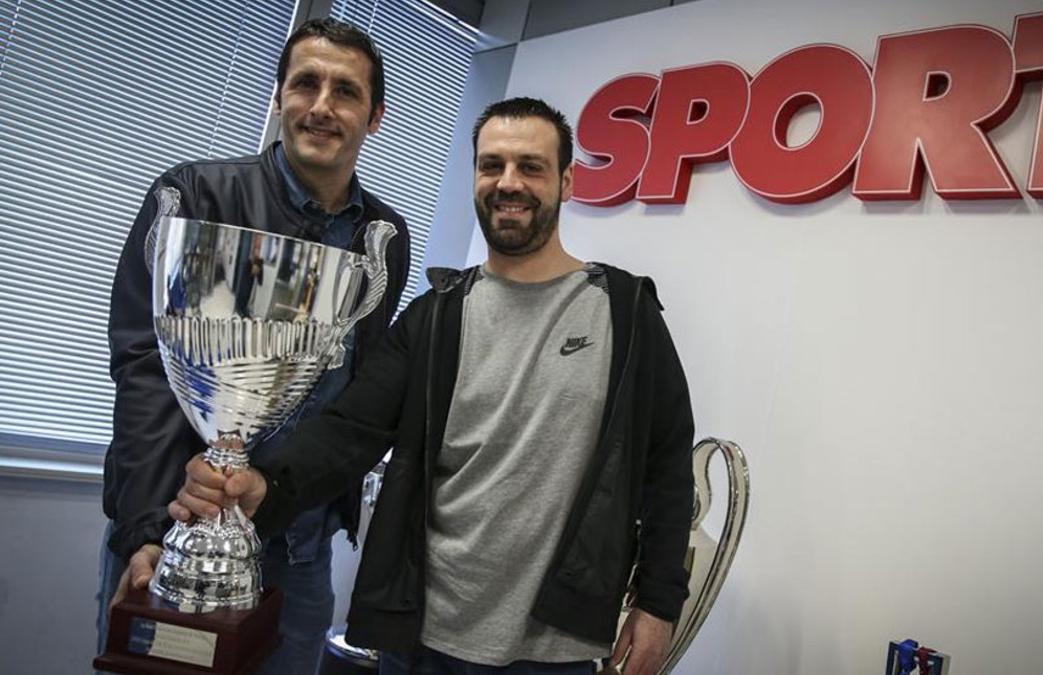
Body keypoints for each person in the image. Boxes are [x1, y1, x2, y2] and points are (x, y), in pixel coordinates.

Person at [172, 97, 695, 675]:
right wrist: (263, 485)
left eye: (531, 166)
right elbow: (351, 430)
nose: (508, 183)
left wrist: (657, 603)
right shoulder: (435, 315)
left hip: (554, 647)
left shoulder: (624, 312)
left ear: (568, 182)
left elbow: (667, 464)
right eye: (491, 165)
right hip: (420, 639)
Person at [98, 17, 410, 675]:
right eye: (306, 84)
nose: (322, 106)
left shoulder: (383, 237)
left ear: (375, 116)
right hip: (175, 526)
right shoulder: (199, 197)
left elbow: (355, 396)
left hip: (297, 547)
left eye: (346, 91)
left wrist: (283, 488)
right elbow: (148, 369)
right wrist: (150, 527)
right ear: (277, 97)